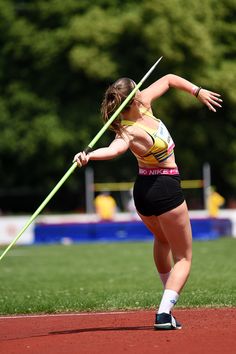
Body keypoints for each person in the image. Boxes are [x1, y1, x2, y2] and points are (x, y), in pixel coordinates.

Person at [74, 73, 222, 330]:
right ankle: (164, 313)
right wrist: (89, 156)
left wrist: (197, 91)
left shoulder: (142, 106)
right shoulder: (129, 130)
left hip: (143, 191)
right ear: (132, 98)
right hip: (165, 188)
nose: (143, 90)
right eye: (138, 89)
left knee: (163, 240)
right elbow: (113, 150)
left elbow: (168, 79)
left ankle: (168, 297)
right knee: (184, 258)